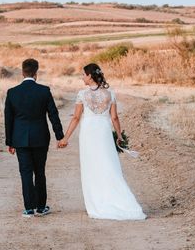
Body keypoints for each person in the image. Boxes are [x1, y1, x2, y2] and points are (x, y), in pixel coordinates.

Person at [58, 63, 146, 220]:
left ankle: (98, 202)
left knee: (92, 166)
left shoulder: (82, 94)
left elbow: (76, 118)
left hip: (89, 133)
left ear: (90, 76)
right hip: (103, 131)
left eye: (83, 75)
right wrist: (119, 136)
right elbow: (114, 117)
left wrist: (66, 138)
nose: (82, 77)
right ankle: (122, 201)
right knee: (109, 165)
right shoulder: (110, 93)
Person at [4, 58, 64, 217]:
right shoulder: (44, 91)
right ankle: (41, 207)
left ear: (22, 72)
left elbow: (8, 119)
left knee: (25, 172)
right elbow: (53, 115)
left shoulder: (12, 92)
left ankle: (28, 208)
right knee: (40, 172)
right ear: (36, 73)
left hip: (20, 139)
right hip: (40, 138)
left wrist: (9, 142)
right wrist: (60, 136)